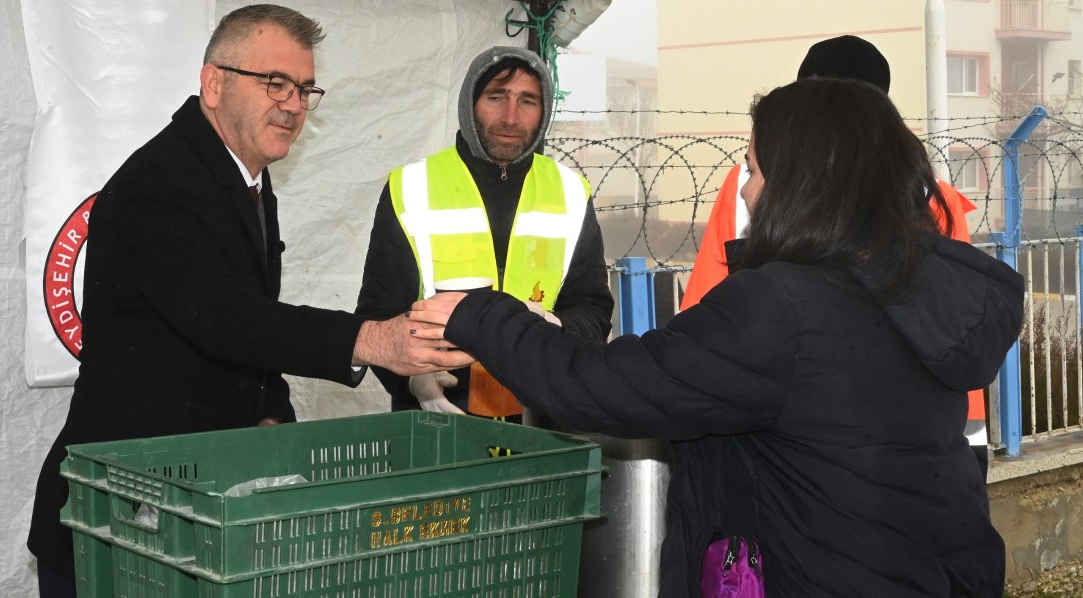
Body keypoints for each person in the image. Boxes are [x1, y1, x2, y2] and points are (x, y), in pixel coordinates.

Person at [412, 77, 1024, 597]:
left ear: (805, 181)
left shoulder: (785, 306)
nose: (748, 189)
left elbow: (601, 389)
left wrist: (482, 314)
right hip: (934, 567)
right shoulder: (914, 283)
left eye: (755, 169)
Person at [27, 4, 473, 596]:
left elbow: (246, 334)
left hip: (192, 517)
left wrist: (271, 414)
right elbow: (219, 316)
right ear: (214, 83)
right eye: (275, 83)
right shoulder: (158, 183)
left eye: (304, 89)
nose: (292, 104)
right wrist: (371, 339)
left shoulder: (247, 179)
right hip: (114, 523)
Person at [680, 34, 990, 473]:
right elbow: (953, 332)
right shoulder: (927, 195)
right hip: (908, 433)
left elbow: (702, 312)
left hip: (790, 425)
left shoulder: (751, 183)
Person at [356, 46, 613, 419]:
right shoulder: (411, 186)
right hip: (440, 417)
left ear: (544, 113)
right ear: (470, 103)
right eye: (496, 97)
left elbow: (593, 311)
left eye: (527, 101)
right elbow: (378, 316)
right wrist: (412, 383)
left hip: (543, 413)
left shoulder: (571, 192)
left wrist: (552, 325)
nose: (510, 117)